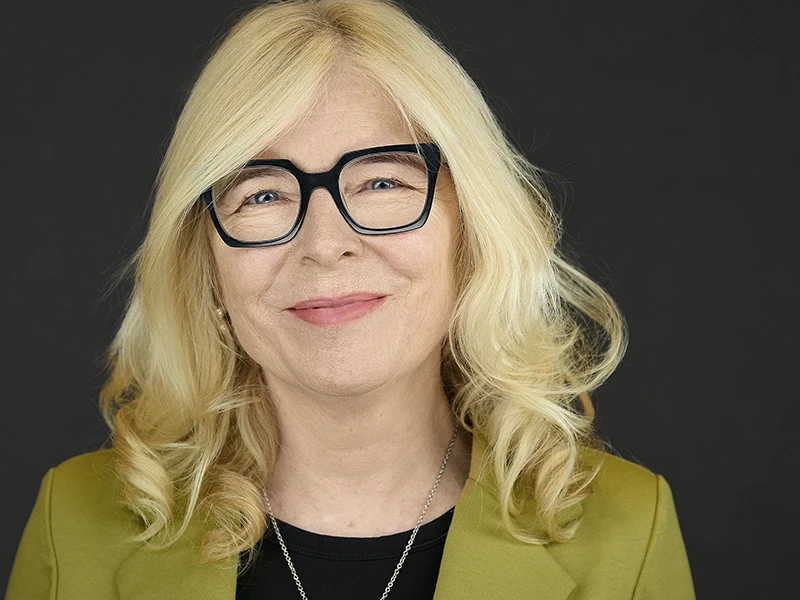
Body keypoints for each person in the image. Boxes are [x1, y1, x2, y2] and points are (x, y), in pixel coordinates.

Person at [6, 1, 696, 598]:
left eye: (382, 183)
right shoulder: (75, 524)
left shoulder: (628, 534)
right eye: (263, 194)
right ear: (207, 267)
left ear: (471, 232)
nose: (325, 244)